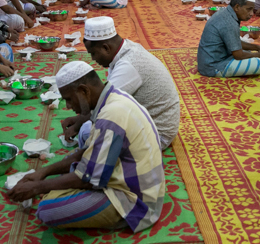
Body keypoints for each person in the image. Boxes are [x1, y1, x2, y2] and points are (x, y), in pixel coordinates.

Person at [7, 61, 165, 232]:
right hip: (130, 181)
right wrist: (43, 173)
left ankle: (119, 215)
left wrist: (38, 187)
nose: (68, 106)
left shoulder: (111, 116)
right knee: (69, 164)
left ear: (84, 91)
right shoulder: (113, 98)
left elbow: (89, 178)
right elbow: (84, 154)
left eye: (69, 99)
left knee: (47, 210)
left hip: (135, 200)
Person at [62, 17, 180, 150]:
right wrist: (80, 118)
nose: (93, 59)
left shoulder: (129, 65)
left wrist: (78, 124)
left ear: (106, 48)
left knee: (86, 131)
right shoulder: (126, 48)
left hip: (157, 134)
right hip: (153, 123)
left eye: (93, 53)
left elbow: (104, 104)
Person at [197, 0, 260, 77]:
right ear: (237, 7)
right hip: (213, 67)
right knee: (259, 64)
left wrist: (257, 48)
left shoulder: (226, 13)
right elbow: (238, 55)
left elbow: (234, 41)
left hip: (208, 62)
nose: (251, 14)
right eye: (248, 9)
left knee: (248, 51)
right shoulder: (229, 22)